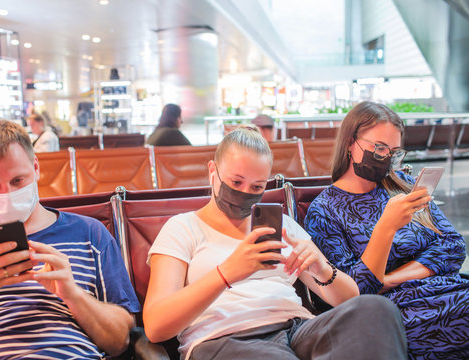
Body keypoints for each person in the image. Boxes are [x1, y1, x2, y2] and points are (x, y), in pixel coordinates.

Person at [143, 126, 407, 360]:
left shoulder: (281, 225)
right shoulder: (183, 228)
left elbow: (348, 298)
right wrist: (227, 273)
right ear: (213, 171)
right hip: (225, 336)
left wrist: (321, 270)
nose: (244, 193)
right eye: (236, 181)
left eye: (257, 187)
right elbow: (155, 327)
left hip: (297, 328)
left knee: (377, 310)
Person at [0, 120, 140, 359]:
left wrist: (72, 294)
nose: (7, 195)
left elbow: (121, 342)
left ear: (36, 167)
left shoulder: (91, 233)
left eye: (18, 181)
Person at [304, 101, 469, 359]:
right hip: (397, 312)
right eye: (379, 148)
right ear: (350, 142)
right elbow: (355, 293)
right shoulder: (324, 211)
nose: (386, 158)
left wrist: (388, 279)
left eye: (393, 152)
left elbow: (453, 247)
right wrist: (386, 227)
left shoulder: (403, 186)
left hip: (445, 290)